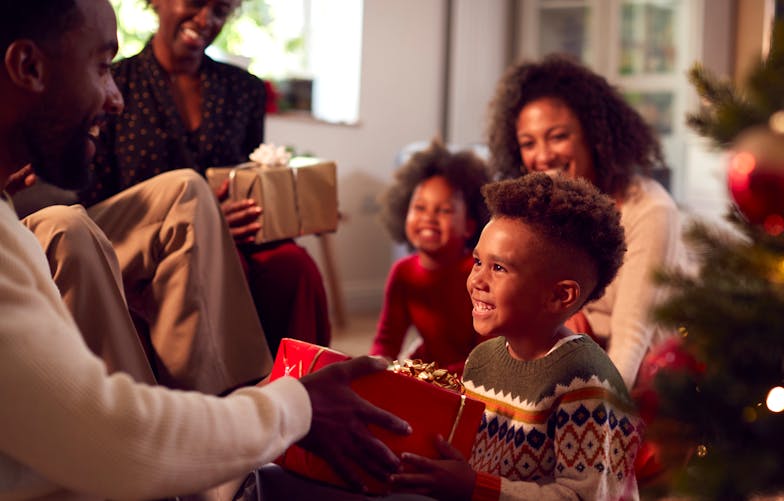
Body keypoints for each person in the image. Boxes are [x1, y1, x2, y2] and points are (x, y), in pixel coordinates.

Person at [0, 1, 412, 499]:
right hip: (118, 239)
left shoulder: (239, 89)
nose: (115, 99)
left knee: (199, 204)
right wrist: (295, 406)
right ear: (27, 67)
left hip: (190, 239)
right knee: (70, 224)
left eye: (221, 8)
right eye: (101, 67)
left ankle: (220, 444)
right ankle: (228, 454)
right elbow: (109, 438)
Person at [79, 0, 331, 353]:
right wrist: (203, 223)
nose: (205, 19)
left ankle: (307, 384)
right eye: (196, 3)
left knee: (295, 267)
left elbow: (250, 175)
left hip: (238, 238)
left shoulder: (244, 90)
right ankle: (240, 396)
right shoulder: (114, 87)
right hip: (149, 242)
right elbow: (96, 200)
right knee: (224, 272)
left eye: (220, 11)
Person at [391, 173, 642, 500]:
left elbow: (585, 497)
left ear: (559, 296)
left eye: (499, 268)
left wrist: (473, 486)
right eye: (478, 261)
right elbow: (475, 458)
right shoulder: (482, 360)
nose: (477, 280)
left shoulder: (587, 383)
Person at [486, 54, 688, 389]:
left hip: (639, 379)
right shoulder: (543, 211)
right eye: (528, 143)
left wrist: (600, 412)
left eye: (558, 136)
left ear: (592, 136)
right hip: (568, 358)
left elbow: (631, 342)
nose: (543, 156)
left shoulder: (650, 209)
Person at [371, 140, 491, 375]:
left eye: (444, 210)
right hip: (427, 368)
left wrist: (432, 377)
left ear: (469, 226)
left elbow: (487, 354)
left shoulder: (478, 274)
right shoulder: (403, 272)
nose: (429, 217)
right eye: (419, 207)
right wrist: (375, 367)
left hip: (471, 375)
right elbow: (387, 339)